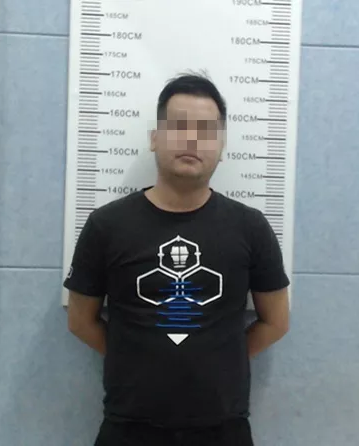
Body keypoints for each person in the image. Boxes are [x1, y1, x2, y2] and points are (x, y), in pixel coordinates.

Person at [64, 72, 290, 446]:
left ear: (222, 145)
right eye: (179, 126)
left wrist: (222, 361)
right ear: (155, 138)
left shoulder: (250, 227)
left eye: (206, 130)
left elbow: (277, 321)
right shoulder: (106, 225)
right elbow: (79, 321)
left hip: (223, 429)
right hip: (129, 428)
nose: (191, 139)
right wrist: (133, 359)